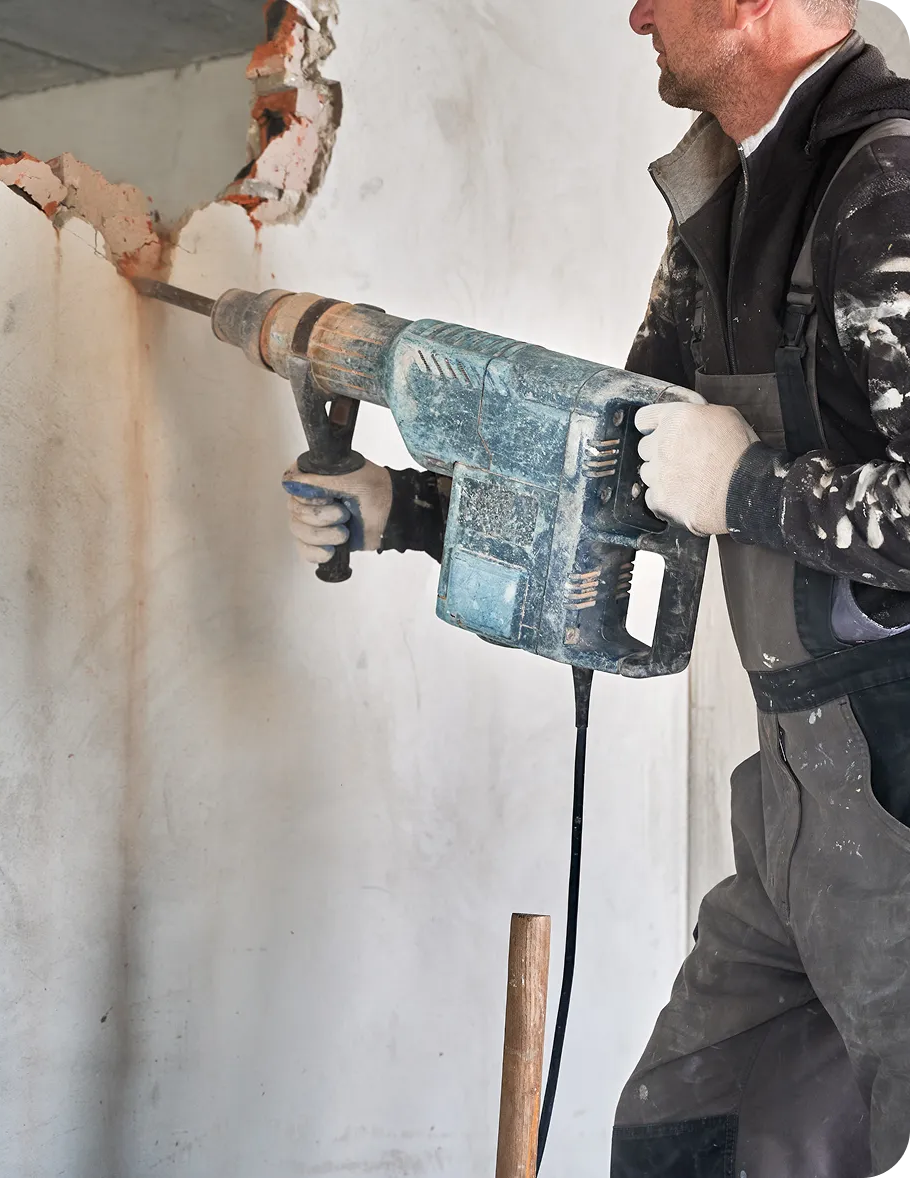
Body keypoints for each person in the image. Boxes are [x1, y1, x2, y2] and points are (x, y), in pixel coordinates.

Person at [281, 1, 910, 1173]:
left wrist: (755, 492)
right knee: (687, 1135)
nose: (634, 12)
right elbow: (609, 460)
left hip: (895, 798)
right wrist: (407, 505)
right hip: (795, 798)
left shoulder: (886, 183)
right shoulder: (722, 206)